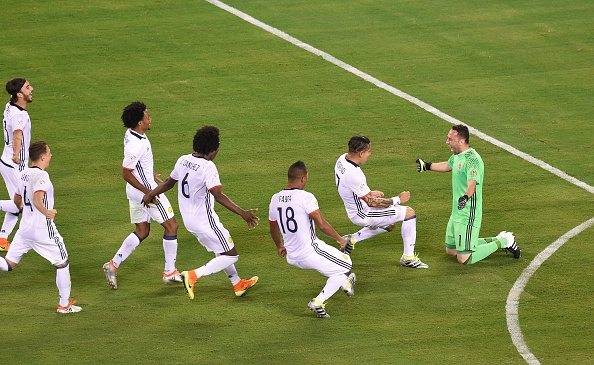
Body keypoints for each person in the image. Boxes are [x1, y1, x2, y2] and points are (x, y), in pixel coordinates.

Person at [142, 125, 259, 300]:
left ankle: (237, 283)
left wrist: (151, 193)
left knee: (221, 250)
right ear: (213, 151)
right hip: (206, 221)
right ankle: (194, 275)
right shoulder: (208, 167)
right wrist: (243, 213)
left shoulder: (183, 160)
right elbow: (218, 195)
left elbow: (169, 183)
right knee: (231, 255)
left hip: (190, 221)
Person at [102, 102, 181, 289]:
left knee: (142, 231)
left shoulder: (132, 134)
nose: (149, 118)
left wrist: (150, 174)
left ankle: (113, 265)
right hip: (146, 193)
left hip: (136, 191)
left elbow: (137, 166)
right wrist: (150, 191)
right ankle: (170, 271)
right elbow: (126, 173)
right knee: (172, 226)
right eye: (147, 116)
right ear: (139, 122)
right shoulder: (135, 145)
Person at [416, 124, 521, 264]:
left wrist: (465, 197)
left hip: (468, 212)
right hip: (457, 211)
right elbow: (448, 165)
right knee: (451, 250)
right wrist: (427, 165)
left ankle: (504, 241)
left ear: (461, 141)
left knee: (464, 258)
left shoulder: (473, 160)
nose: (447, 142)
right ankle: (496, 238)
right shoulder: (458, 155)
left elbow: (472, 183)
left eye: (450, 139)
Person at [0, 141, 82, 313]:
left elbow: (16, 199)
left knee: (9, 264)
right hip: (43, 231)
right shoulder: (42, 176)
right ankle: (64, 304)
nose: (51, 155)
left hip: (24, 230)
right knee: (62, 262)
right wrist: (47, 212)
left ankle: (64, 303)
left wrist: (24, 208)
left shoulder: (23, 174)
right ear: (43, 156)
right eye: (49, 152)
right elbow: (38, 199)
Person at [269, 161, 356, 319]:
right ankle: (318, 301)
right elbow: (321, 224)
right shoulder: (306, 197)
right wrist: (340, 240)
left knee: (339, 268)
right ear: (303, 178)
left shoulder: (275, 199)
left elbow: (273, 227)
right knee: (345, 265)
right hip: (310, 251)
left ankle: (344, 283)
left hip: (292, 256)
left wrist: (279, 245)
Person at [335, 135, 428, 269]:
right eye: (368, 151)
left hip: (355, 207)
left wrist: (368, 193)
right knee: (409, 213)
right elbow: (372, 203)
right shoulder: (354, 174)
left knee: (389, 224)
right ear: (361, 153)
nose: (370, 154)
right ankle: (408, 258)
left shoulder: (342, 159)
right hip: (363, 213)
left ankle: (352, 239)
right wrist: (397, 199)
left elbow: (348, 187)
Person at [0, 78, 34, 252]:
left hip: (6, 162)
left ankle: (2, 239)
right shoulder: (19, 114)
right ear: (19, 94)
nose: (32, 89)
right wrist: (16, 154)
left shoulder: (10, 105)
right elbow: (17, 134)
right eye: (28, 87)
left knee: (17, 202)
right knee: (20, 204)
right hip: (15, 165)